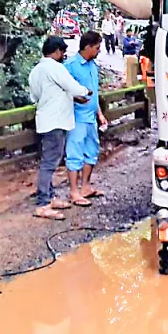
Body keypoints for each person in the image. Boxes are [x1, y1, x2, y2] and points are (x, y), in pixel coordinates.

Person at [28, 37, 90, 219]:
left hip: (45, 119)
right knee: (49, 163)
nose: (63, 56)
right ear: (56, 51)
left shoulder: (36, 70)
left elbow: (35, 96)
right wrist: (86, 92)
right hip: (55, 121)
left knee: (50, 160)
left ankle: (49, 196)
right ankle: (42, 204)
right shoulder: (55, 68)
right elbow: (72, 86)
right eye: (62, 52)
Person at [64, 32, 109, 206]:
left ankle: (85, 187)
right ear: (88, 47)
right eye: (97, 48)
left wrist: (100, 114)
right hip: (77, 116)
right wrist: (76, 99)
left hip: (91, 116)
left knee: (92, 150)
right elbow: (63, 90)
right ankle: (73, 192)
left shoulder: (93, 66)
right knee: (75, 152)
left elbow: (94, 93)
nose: (99, 51)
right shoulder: (70, 66)